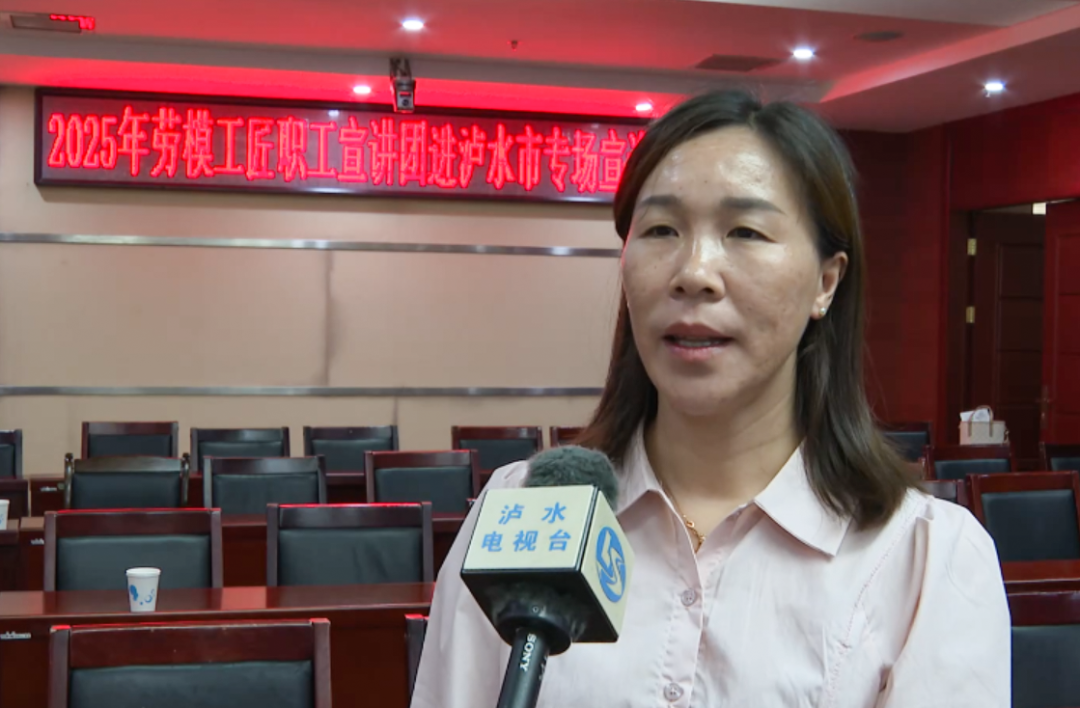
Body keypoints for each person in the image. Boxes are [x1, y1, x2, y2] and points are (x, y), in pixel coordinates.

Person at [411, 90, 1010, 707]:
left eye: (745, 231)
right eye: (661, 230)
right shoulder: (522, 513)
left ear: (826, 282)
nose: (693, 273)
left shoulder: (925, 558)